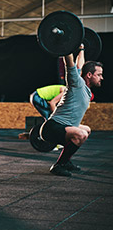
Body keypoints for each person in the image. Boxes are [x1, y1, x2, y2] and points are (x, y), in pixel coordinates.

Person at [40, 46, 104, 177]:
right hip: (52, 128)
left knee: (86, 130)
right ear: (89, 75)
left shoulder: (85, 89)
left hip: (62, 127)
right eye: (99, 75)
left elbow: (80, 65)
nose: (101, 78)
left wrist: (81, 49)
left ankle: (66, 162)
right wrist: (67, 46)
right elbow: (70, 64)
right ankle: (58, 165)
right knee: (81, 134)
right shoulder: (76, 83)